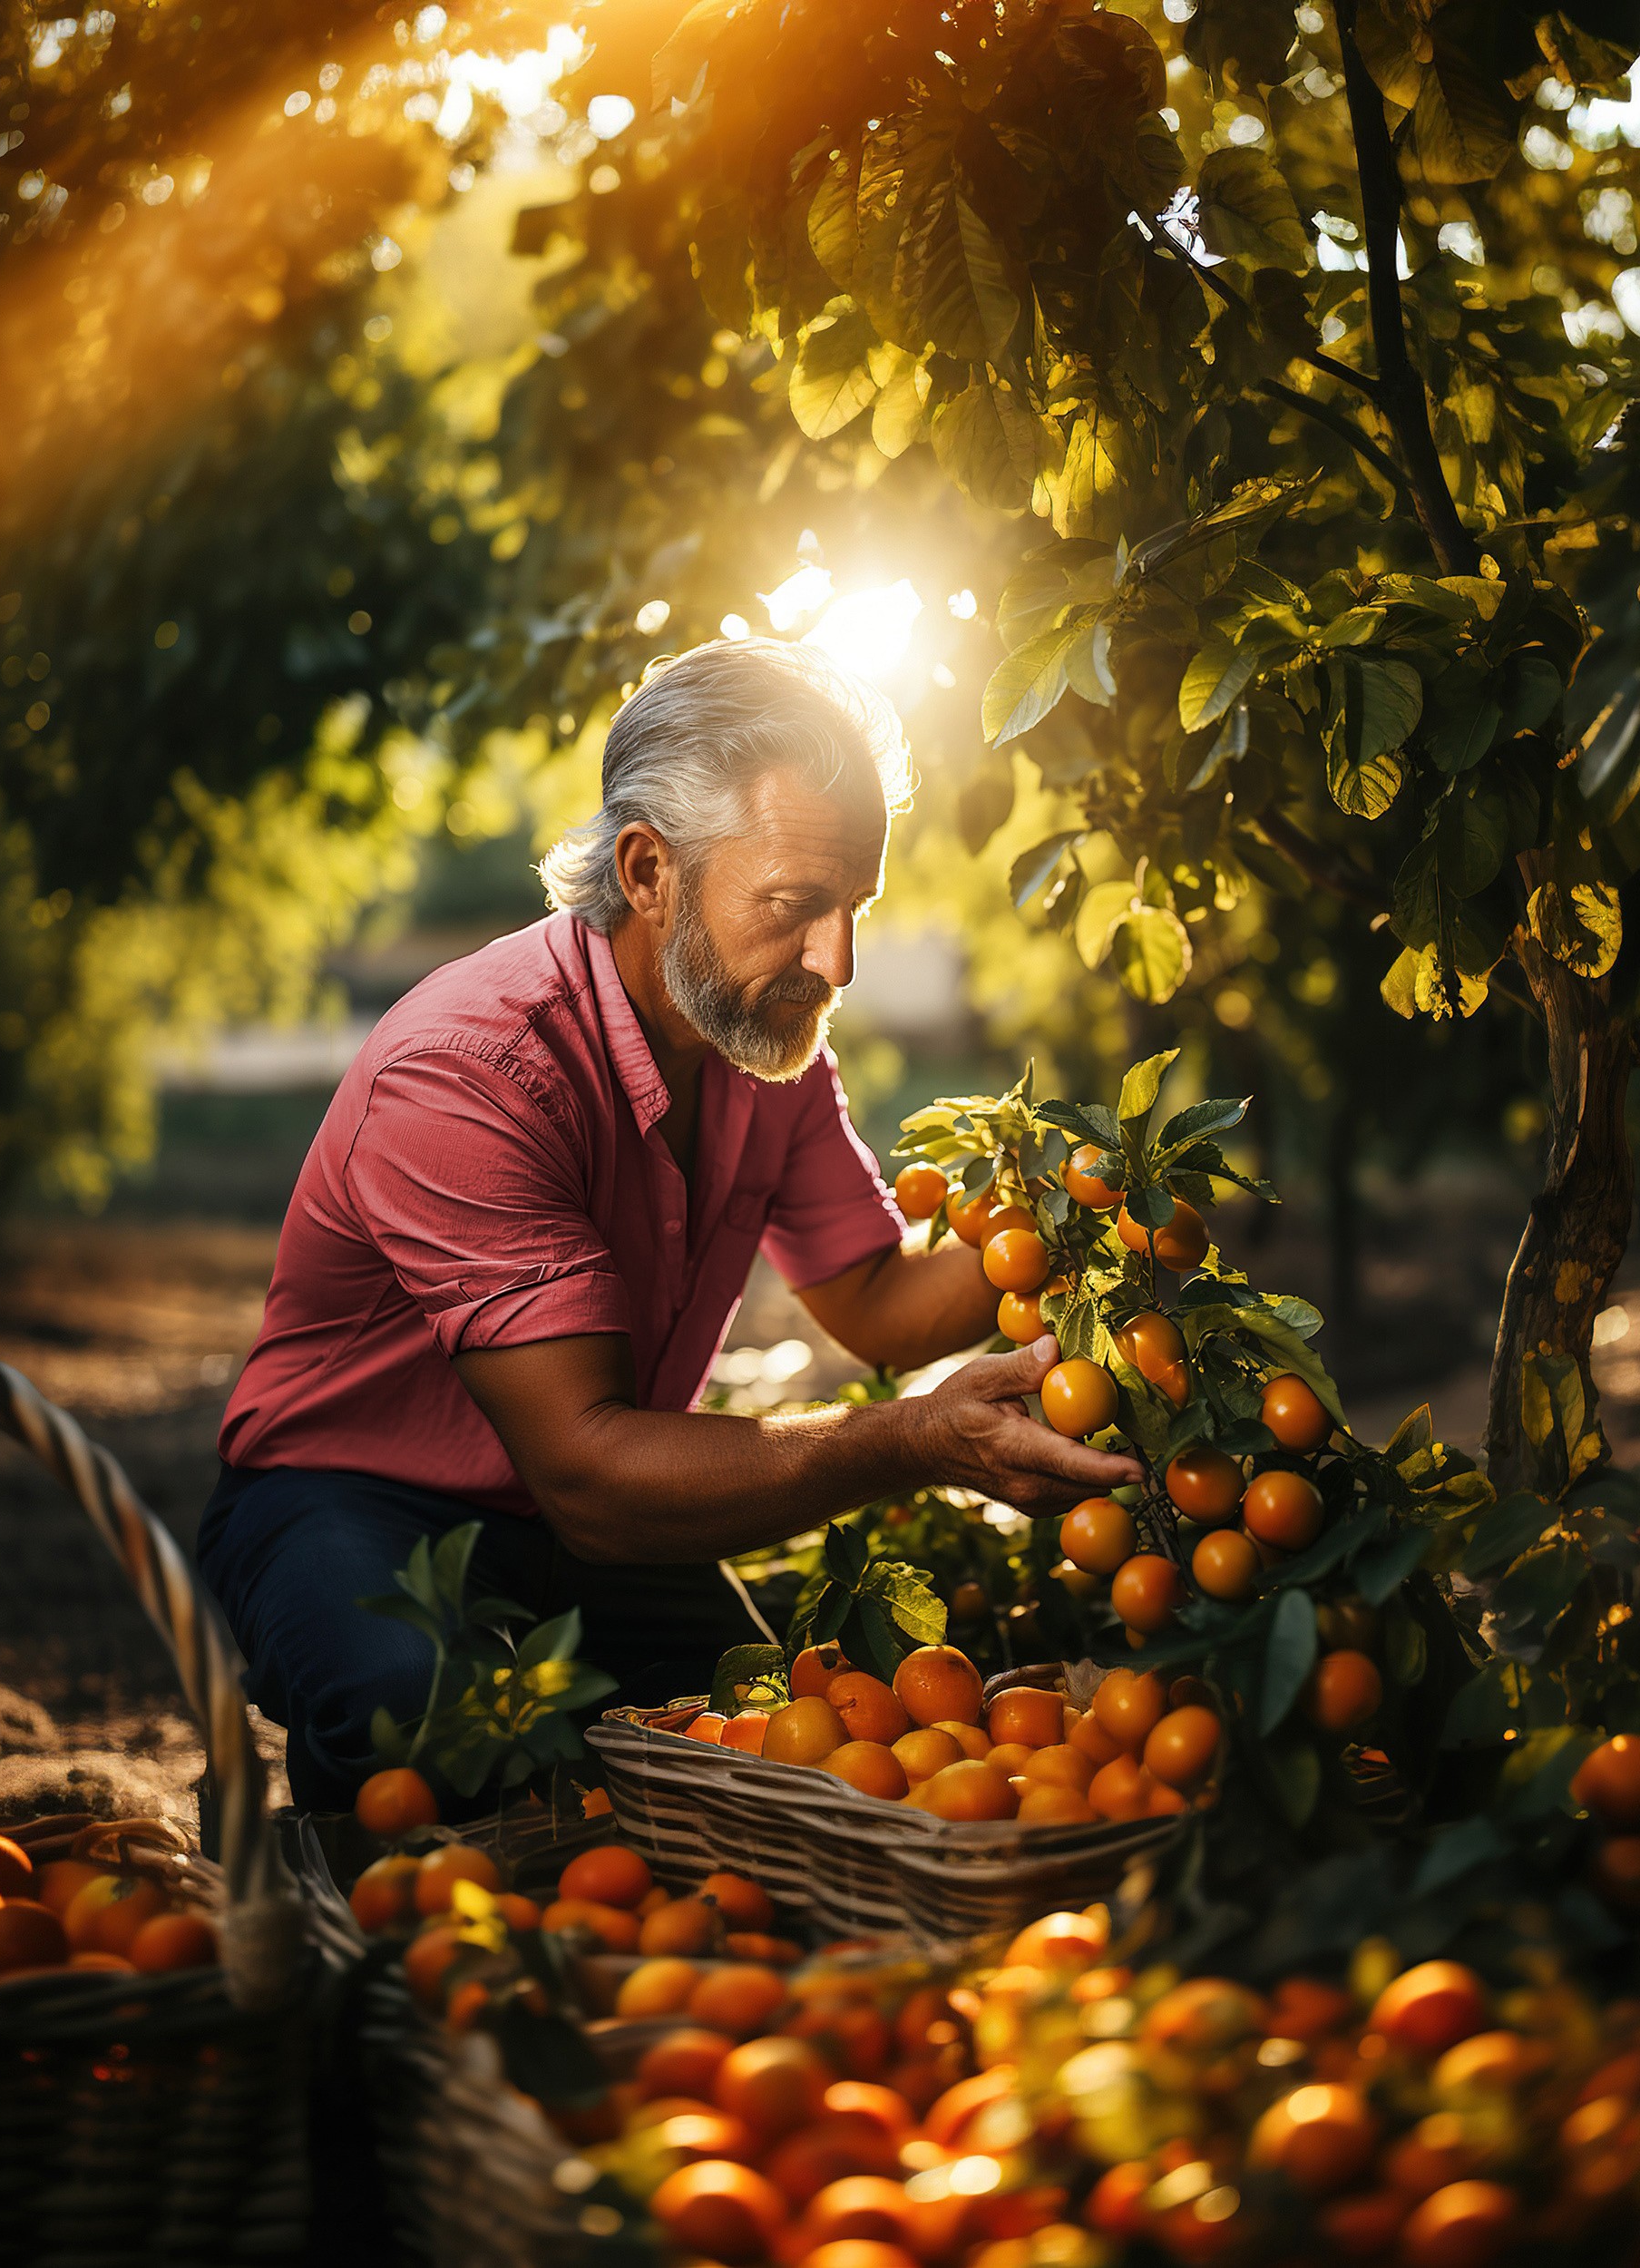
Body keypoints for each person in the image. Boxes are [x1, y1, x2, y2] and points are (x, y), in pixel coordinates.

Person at [198, 639, 1138, 1810]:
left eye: (855, 908)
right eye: (796, 907)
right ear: (647, 871)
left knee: (759, 1753)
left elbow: (876, 1302)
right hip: (344, 1493)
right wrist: (911, 1439)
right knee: (421, 1733)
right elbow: (590, 1467)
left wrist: (1080, 1229)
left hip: (580, 1513)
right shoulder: (473, 1070)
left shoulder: (765, 1042)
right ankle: (319, 1881)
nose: (836, 960)